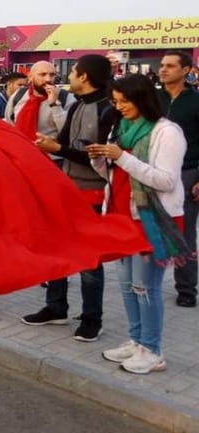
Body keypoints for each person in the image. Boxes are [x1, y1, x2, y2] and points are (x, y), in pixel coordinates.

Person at [90, 74, 189, 374]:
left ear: (143, 99)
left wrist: (121, 157)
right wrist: (99, 159)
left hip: (151, 220)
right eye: (116, 101)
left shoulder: (167, 132)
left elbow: (166, 180)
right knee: (127, 286)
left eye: (125, 101)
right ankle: (136, 340)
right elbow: (115, 174)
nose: (119, 107)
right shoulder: (123, 128)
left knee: (146, 287)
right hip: (122, 216)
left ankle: (153, 350)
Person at [29, 54, 118, 342]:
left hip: (93, 192)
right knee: (57, 248)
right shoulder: (78, 105)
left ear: (85, 77)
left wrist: (57, 148)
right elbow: (65, 143)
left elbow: (98, 157)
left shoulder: (108, 109)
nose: (67, 76)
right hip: (66, 188)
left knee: (89, 258)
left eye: (73, 71)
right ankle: (56, 307)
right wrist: (48, 145)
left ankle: (92, 319)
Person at [157, 50, 199, 308]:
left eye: (170, 66)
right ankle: (146, 282)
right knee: (149, 228)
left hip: (187, 173)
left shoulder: (195, 102)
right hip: (152, 172)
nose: (163, 69)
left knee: (184, 233)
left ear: (186, 70)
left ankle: (186, 288)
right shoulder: (153, 99)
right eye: (162, 65)